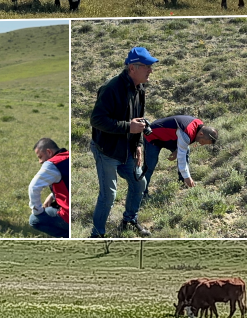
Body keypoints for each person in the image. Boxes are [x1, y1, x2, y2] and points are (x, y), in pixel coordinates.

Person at [90, 46, 156, 238]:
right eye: (147, 66)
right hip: (107, 151)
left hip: (128, 149)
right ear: (132, 68)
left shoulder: (139, 88)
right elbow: (96, 120)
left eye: (150, 66)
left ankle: (129, 220)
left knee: (139, 183)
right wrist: (128, 127)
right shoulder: (111, 88)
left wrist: (138, 144)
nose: (150, 70)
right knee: (108, 195)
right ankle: (97, 235)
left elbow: (139, 119)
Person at [142, 115, 218, 195]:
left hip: (170, 137)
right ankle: (142, 192)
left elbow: (181, 141)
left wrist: (177, 151)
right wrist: (187, 176)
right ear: (201, 134)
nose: (201, 144)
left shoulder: (199, 127)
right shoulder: (187, 132)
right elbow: (182, 156)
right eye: (203, 142)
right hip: (153, 135)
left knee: (186, 150)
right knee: (149, 165)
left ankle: (183, 182)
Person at [27, 138, 69, 238]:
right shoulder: (68, 156)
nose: (40, 161)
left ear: (49, 152)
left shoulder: (52, 164)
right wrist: (52, 195)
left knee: (34, 220)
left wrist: (37, 211)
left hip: (68, 216)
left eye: (40, 157)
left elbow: (33, 187)